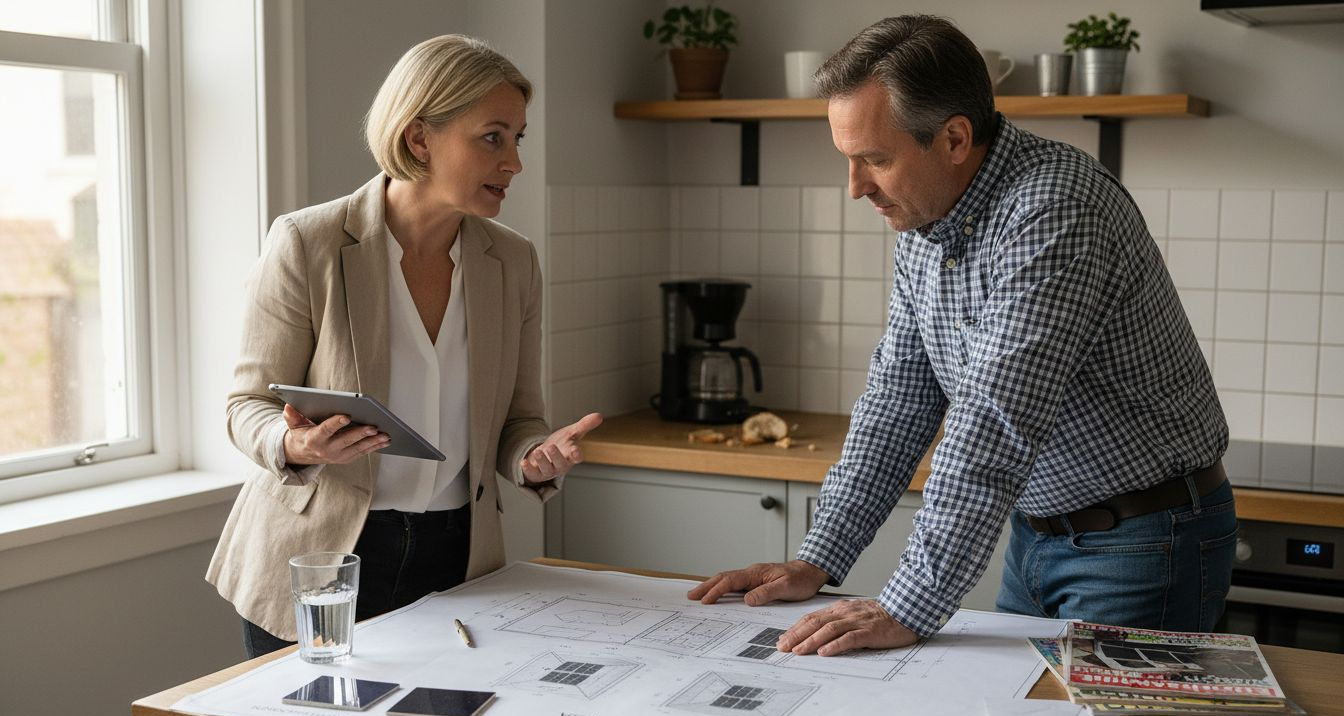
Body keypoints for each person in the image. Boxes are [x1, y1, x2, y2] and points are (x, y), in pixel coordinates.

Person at [690, 15, 1235, 656]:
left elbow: (993, 423)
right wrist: (817, 559)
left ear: (954, 138)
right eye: (849, 160)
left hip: (1144, 540)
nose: (856, 187)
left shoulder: (1054, 208)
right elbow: (898, 402)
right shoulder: (925, 219)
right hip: (1034, 535)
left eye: (876, 160)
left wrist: (907, 605)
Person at [207, 34, 602, 658]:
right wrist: (295, 443)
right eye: (492, 137)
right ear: (419, 138)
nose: (514, 163)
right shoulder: (307, 243)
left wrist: (533, 456)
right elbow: (246, 405)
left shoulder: (514, 262)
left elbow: (520, 419)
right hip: (322, 559)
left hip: (457, 558)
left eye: (517, 139)